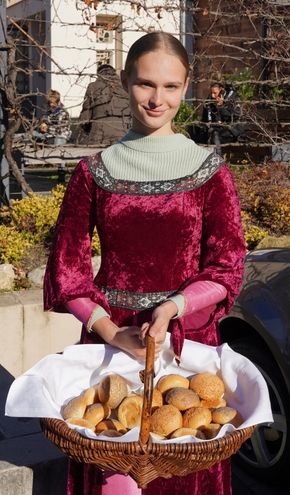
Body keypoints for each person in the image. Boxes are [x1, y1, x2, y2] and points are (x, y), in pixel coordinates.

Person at [43, 31, 246, 495]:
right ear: (124, 81)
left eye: (171, 86)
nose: (157, 99)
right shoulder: (92, 172)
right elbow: (67, 270)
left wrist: (174, 307)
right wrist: (111, 332)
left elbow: (228, 264)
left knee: (186, 469)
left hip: (187, 342)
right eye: (145, 84)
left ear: (187, 85)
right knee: (115, 470)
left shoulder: (210, 171)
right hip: (110, 340)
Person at [78, 64, 131, 145]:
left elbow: (84, 118)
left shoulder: (93, 87)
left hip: (98, 137)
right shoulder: (127, 86)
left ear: (98, 74)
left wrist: (88, 129)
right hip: (125, 138)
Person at [201, 81, 246, 147]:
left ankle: (217, 157)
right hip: (218, 132)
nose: (213, 96)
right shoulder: (210, 101)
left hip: (234, 133)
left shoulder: (233, 98)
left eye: (215, 93)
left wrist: (221, 107)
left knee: (215, 136)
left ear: (222, 90)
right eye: (211, 92)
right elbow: (206, 120)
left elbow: (233, 120)